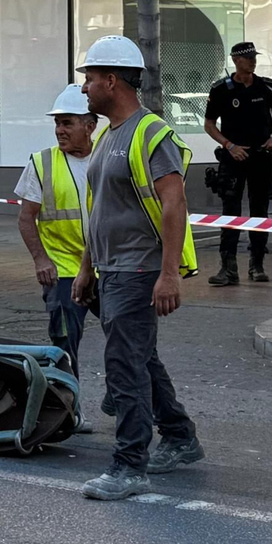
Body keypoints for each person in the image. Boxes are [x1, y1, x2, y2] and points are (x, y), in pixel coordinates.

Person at [71, 35, 203, 501]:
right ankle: (181, 437)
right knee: (141, 357)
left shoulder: (151, 134)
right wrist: (88, 267)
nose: (84, 88)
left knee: (124, 364)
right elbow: (101, 207)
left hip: (139, 270)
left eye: (89, 78)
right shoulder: (108, 136)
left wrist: (169, 274)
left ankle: (129, 466)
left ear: (112, 80)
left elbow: (175, 202)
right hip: (111, 268)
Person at [16, 84, 99, 433]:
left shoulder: (109, 156)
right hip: (63, 269)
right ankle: (70, 410)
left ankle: (123, 399)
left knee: (129, 339)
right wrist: (40, 260)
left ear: (90, 125)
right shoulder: (43, 162)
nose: (60, 131)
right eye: (58, 124)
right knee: (64, 344)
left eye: (67, 123)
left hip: (106, 266)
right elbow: (25, 217)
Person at [204, 42, 272, 284]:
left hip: (261, 156)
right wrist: (229, 146)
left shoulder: (266, 87)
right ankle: (228, 268)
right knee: (230, 212)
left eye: (254, 57)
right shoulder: (222, 89)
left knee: (259, 211)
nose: (252, 61)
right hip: (234, 158)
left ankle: (257, 265)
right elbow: (209, 124)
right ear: (235, 60)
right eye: (247, 58)